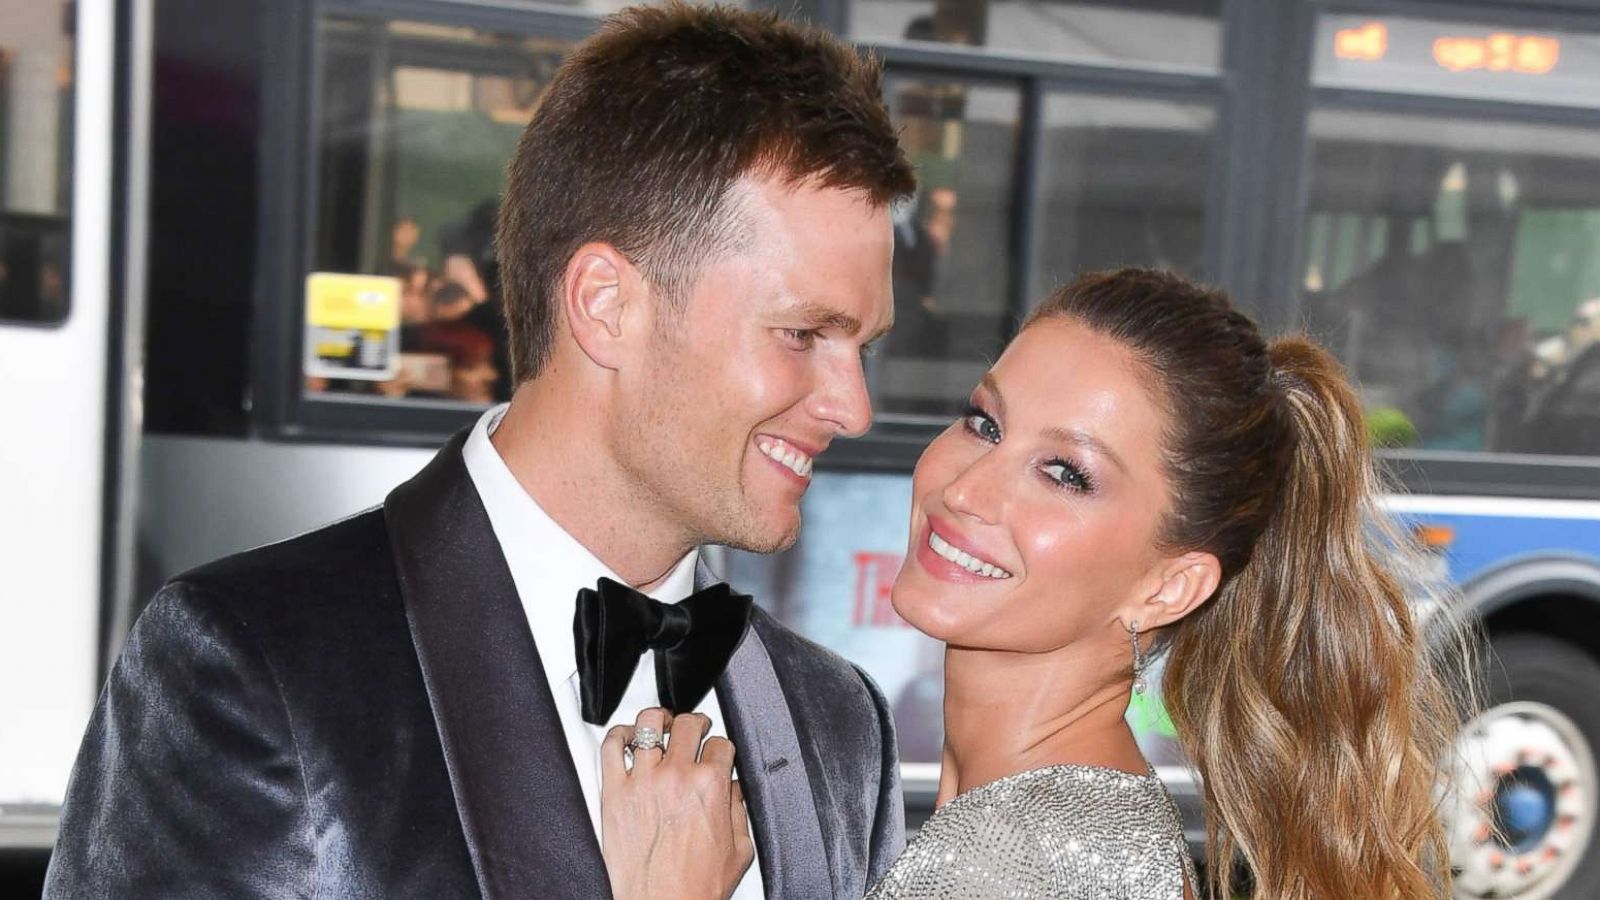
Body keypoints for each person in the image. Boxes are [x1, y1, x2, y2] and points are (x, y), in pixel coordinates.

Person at [43, 3, 915, 898]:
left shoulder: (838, 722)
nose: (852, 407)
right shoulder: (252, 669)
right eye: (804, 333)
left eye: (866, 347)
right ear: (606, 305)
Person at [602, 268, 1476, 900]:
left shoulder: (1052, 868)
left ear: (1170, 588)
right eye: (984, 422)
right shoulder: (1025, 822)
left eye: (1065, 473)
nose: (964, 487)